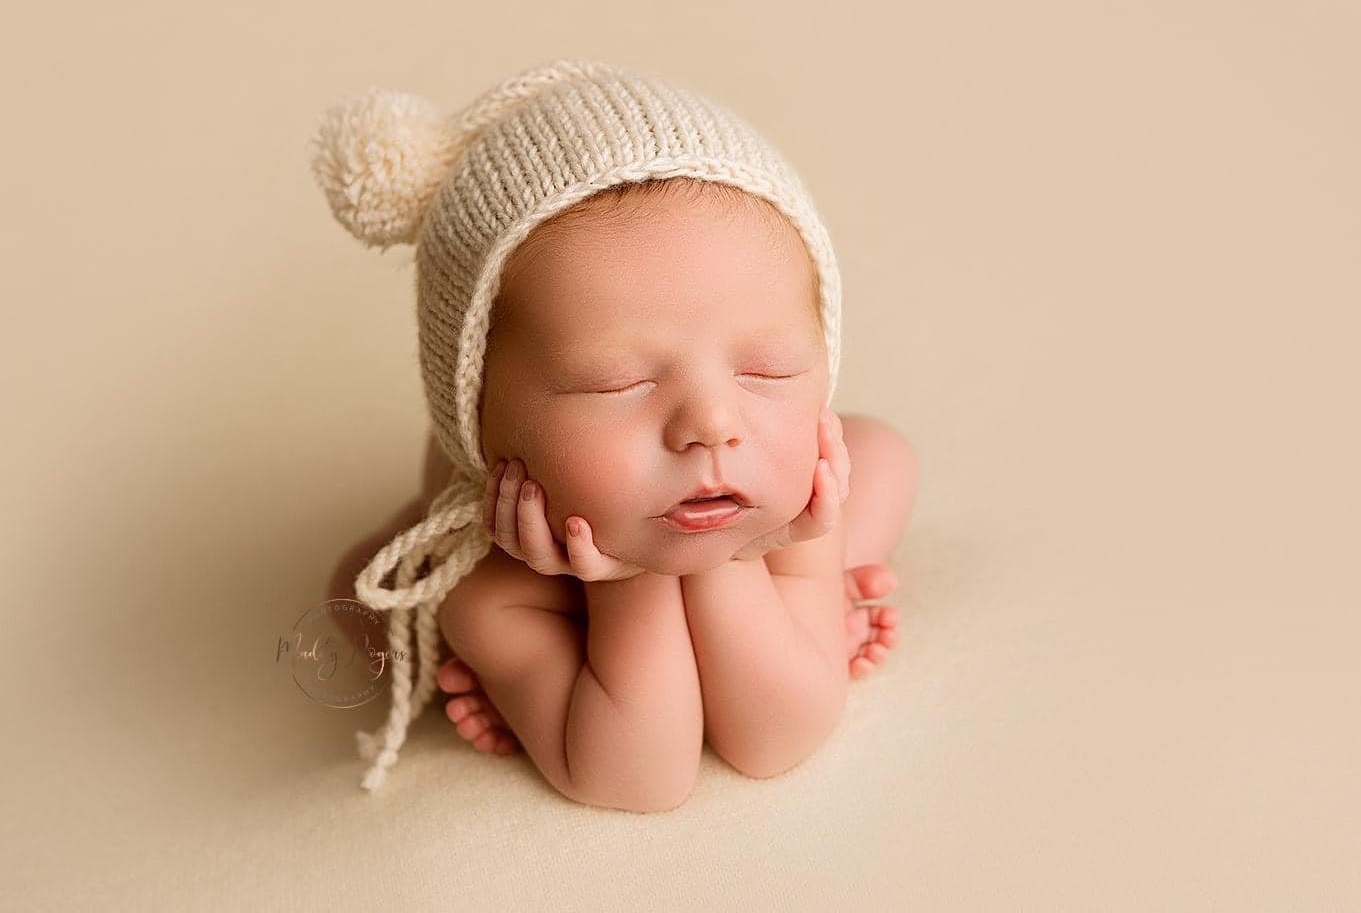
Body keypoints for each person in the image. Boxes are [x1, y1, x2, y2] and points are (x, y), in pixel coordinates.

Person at [311, 60, 917, 810]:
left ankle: (813, 596)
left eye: (767, 369)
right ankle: (798, 616)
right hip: (546, 557)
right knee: (358, 598)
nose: (712, 425)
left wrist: (735, 553)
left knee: (880, 454)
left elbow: (777, 737)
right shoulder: (492, 591)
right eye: (617, 384)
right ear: (484, 424)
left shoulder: (789, 501)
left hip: (719, 505)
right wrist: (634, 582)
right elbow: (640, 781)